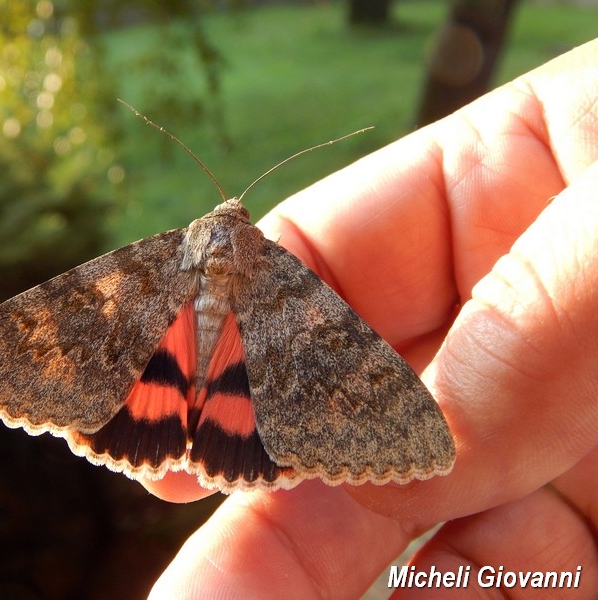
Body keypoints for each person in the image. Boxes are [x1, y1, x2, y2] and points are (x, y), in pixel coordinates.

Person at [147, 38, 598, 597]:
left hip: (158, 376)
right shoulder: (280, 273)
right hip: (246, 412)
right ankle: (223, 422)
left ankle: (156, 407)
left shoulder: (157, 262)